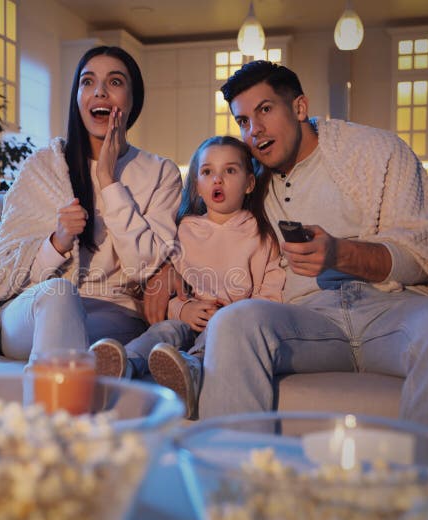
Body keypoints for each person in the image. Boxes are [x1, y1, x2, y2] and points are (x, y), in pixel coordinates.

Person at [144, 60, 428, 439]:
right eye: (243, 121)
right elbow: (205, 227)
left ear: (300, 107)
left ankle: (424, 493)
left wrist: (340, 253)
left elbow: (421, 257)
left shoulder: (376, 153)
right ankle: (235, 488)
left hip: (391, 310)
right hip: (307, 321)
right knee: (233, 322)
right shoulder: (250, 180)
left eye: (265, 110)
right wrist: (167, 268)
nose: (254, 131)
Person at [0, 46, 182, 364]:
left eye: (115, 82)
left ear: (133, 98)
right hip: (33, 308)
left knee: (93, 327)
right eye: (87, 82)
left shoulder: (161, 172)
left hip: (112, 316)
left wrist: (107, 179)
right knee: (60, 294)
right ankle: (55, 406)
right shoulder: (43, 167)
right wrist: (57, 242)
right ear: (77, 98)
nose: (99, 91)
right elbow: (0, 270)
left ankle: (57, 403)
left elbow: (144, 266)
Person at [91, 136, 284, 418]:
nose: (218, 180)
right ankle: (124, 363)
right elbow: (164, 290)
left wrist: (233, 316)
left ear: (249, 183)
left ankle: (190, 372)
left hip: (228, 327)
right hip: (187, 316)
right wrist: (182, 308)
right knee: (163, 332)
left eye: (230, 171)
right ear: (197, 186)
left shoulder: (260, 235)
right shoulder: (184, 231)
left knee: (210, 338)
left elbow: (271, 295)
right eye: (207, 172)